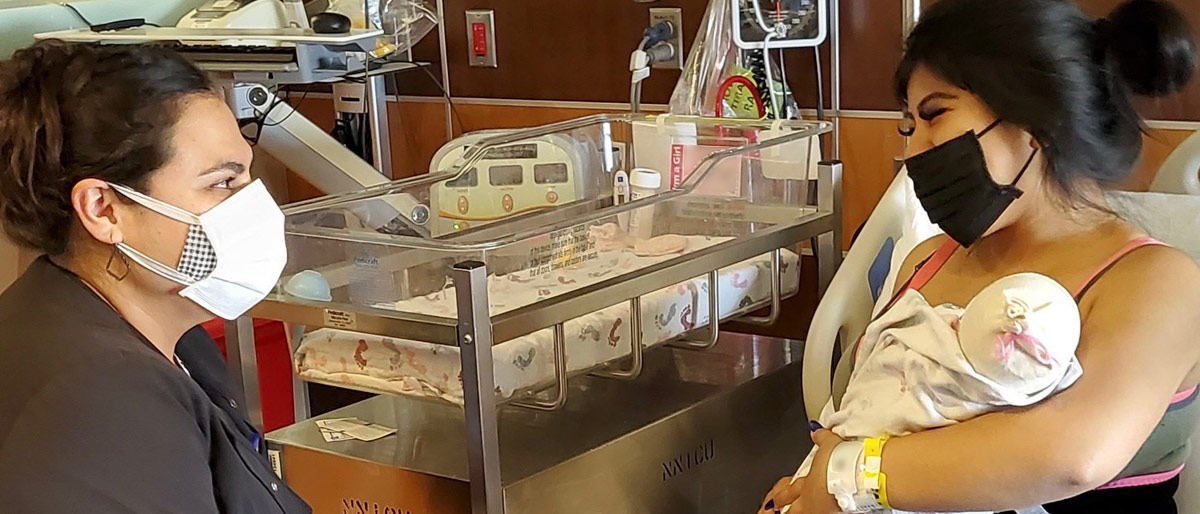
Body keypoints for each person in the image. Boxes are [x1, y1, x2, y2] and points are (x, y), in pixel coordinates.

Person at [759, 0, 1200, 512]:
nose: (914, 151)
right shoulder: (925, 263)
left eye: (935, 115)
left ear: (1038, 114)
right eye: (910, 125)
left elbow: (1073, 457)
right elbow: (872, 414)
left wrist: (846, 477)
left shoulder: (1156, 282)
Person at [0, 40, 307, 513]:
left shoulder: (170, 338)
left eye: (247, 177)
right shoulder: (100, 397)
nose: (256, 208)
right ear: (104, 209)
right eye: (222, 183)